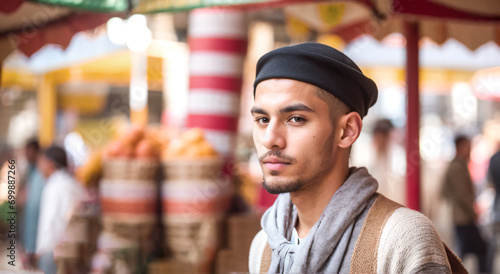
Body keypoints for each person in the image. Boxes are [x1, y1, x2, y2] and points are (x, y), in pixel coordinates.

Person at [248, 43, 462, 273]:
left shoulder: (401, 240)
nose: (270, 139)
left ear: (348, 130)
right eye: (262, 119)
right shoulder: (263, 246)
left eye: (296, 118)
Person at [441, 135, 489, 273]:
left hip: (461, 216)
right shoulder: (457, 167)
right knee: (478, 248)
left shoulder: (458, 165)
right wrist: (473, 213)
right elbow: (463, 195)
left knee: (466, 249)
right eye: (467, 147)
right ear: (460, 147)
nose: (469, 151)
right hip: (463, 217)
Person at [36, 145, 85, 274]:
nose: (39, 167)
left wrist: (42, 249)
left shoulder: (54, 186)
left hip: (53, 250)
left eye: (41, 162)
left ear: (50, 164)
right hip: (71, 249)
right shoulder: (73, 183)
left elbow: (50, 219)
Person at [19, 139, 46, 268]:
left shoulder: (42, 174)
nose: (26, 155)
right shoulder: (31, 171)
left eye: (28, 151)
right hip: (30, 234)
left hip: (40, 237)